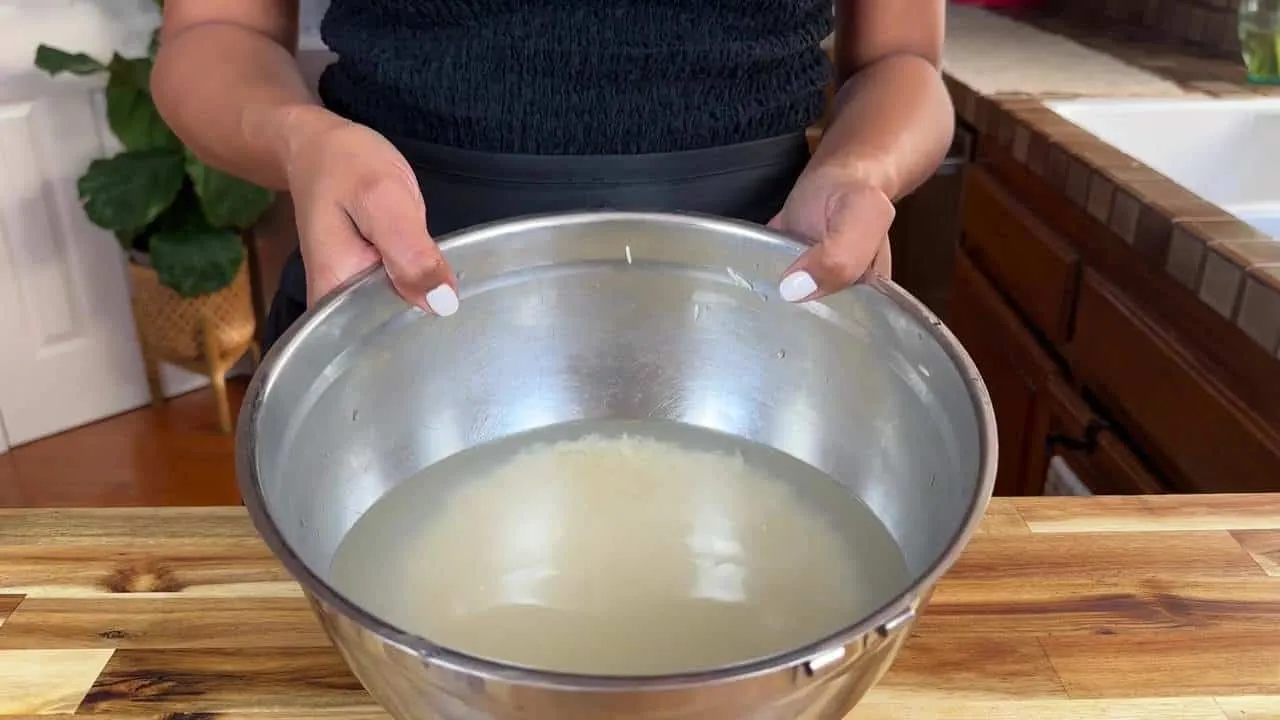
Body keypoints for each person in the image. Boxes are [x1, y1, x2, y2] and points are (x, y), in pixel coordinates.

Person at [152, 1, 954, 352]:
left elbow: (901, 61)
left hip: (759, 287)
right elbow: (215, 30)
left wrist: (860, 166)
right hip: (401, 271)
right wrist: (301, 139)